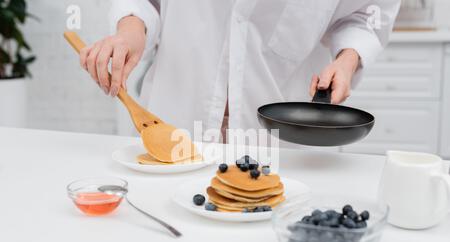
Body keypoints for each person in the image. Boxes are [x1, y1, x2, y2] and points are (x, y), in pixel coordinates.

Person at [80, 0, 400, 140]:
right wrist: (129, 32)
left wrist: (347, 60)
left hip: (282, 141)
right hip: (176, 121)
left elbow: (366, 13)